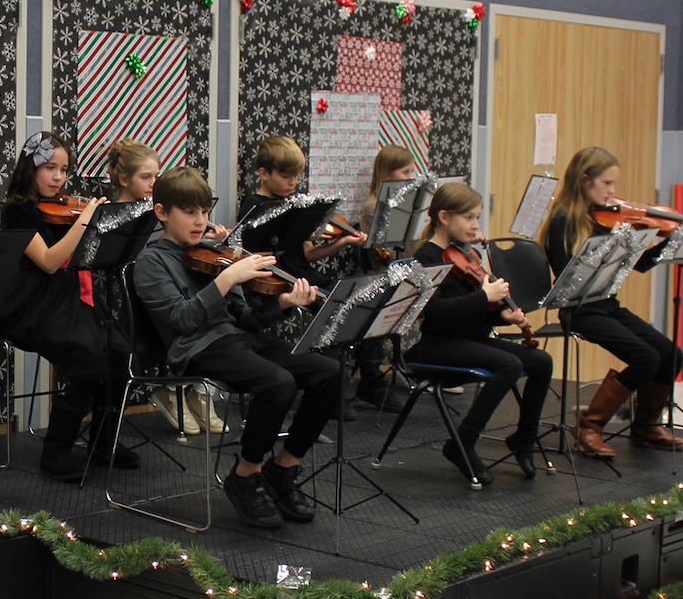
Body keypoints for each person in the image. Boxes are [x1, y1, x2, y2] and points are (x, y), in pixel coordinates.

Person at [134, 167, 339, 529]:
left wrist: (286, 303)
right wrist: (227, 278)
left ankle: (284, 468)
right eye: (190, 213)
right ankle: (245, 474)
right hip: (197, 348)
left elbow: (246, 319)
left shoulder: (215, 254)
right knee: (277, 383)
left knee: (329, 373)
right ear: (162, 212)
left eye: (205, 212)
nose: (201, 222)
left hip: (239, 340)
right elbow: (182, 320)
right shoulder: (152, 262)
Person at [0, 130, 135, 480]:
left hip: (71, 297)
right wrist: (86, 220)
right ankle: (56, 452)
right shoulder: (18, 213)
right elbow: (47, 261)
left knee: (119, 351)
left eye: (64, 169)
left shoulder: (62, 208)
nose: (59, 177)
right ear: (30, 168)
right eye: (50, 168)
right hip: (33, 304)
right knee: (86, 358)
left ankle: (104, 442)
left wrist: (98, 225)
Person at [542, 146, 683, 455]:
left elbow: (643, 265)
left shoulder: (603, 218)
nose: (613, 192)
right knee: (646, 357)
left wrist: (668, 241)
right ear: (584, 180)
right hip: (578, 309)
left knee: (670, 354)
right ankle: (590, 426)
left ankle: (646, 425)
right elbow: (568, 278)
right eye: (607, 184)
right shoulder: (563, 221)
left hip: (606, 305)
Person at [410, 182, 554, 482]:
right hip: (439, 344)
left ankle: (523, 439)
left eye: (477, 217)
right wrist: (484, 297)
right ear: (445, 217)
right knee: (509, 364)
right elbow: (435, 313)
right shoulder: (425, 259)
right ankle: (463, 442)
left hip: (471, 339)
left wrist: (502, 314)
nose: (476, 225)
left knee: (541, 361)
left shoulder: (465, 254)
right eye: (469, 218)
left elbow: (478, 311)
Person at [104, 138, 224, 437]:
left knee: (207, 310)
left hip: (163, 292)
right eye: (147, 177)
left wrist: (211, 244)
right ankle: (172, 389)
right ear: (123, 179)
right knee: (185, 313)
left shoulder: (163, 211)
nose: (154, 182)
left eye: (157, 176)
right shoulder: (113, 215)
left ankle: (197, 389)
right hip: (128, 303)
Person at [233, 135, 365, 285]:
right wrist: (291, 242)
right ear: (264, 173)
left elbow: (307, 254)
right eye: (286, 176)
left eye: (296, 176)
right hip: (282, 283)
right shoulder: (255, 206)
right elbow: (247, 257)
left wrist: (343, 241)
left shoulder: (293, 204)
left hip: (306, 278)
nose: (293, 182)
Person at [352, 144, 421, 410]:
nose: (410, 177)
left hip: (401, 270)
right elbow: (383, 252)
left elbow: (410, 249)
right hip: (379, 275)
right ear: (388, 174)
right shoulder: (374, 206)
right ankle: (371, 376)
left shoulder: (407, 206)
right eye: (405, 172)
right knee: (380, 302)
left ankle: (405, 366)